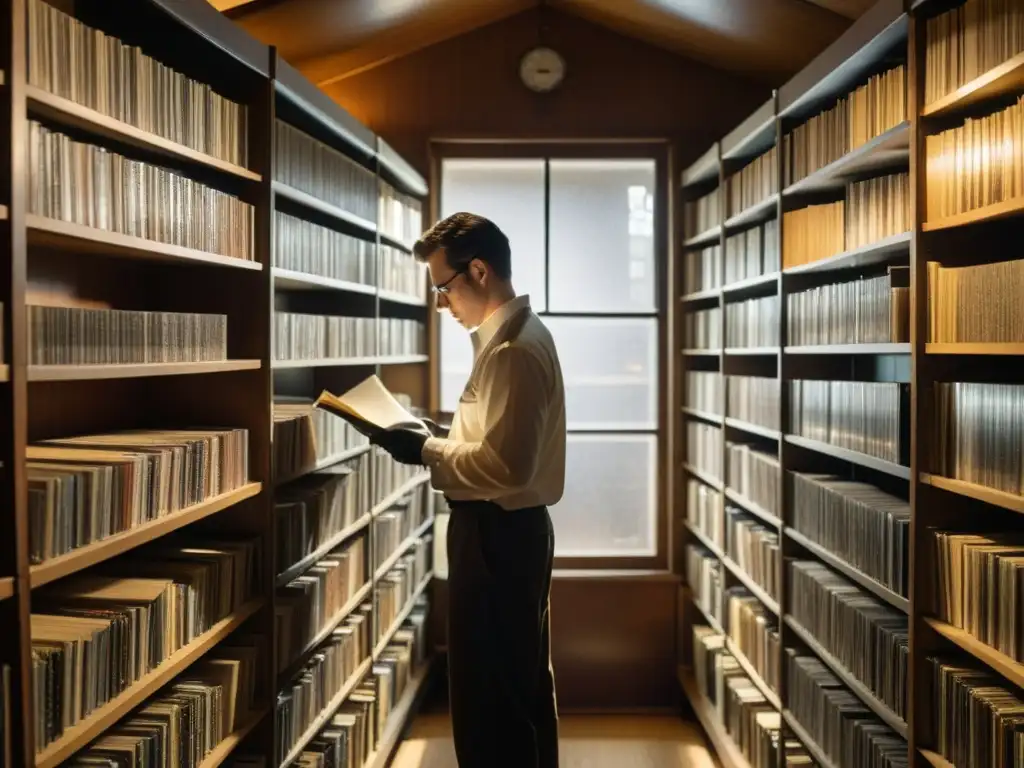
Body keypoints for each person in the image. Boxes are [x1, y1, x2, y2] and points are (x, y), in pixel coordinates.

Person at [370, 212, 565, 768]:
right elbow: (499, 440)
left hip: (496, 535)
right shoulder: (514, 339)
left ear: (478, 271)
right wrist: (442, 433)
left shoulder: (513, 351)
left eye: (442, 286)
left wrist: (424, 449)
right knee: (514, 687)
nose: (440, 303)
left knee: (491, 701)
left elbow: (507, 467)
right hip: (505, 533)